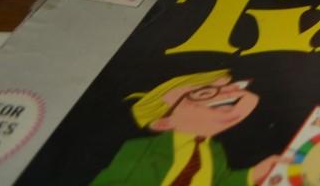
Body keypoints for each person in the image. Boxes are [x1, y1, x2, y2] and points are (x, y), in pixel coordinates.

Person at [91, 70, 283, 185]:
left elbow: (218, 182)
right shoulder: (141, 149)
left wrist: (253, 174)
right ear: (163, 123)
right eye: (204, 93)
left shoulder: (213, 150)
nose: (228, 94)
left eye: (233, 87)